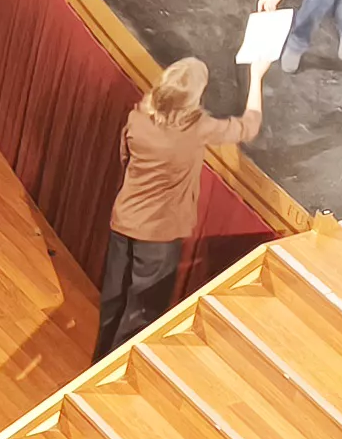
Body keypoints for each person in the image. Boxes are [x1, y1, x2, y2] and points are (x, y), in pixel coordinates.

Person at [95, 56, 261, 358]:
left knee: (114, 300)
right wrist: (257, 78)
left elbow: (124, 159)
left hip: (124, 221)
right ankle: (113, 371)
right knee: (141, 313)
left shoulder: (138, 118)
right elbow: (247, 128)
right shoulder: (197, 128)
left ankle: (99, 362)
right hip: (159, 235)